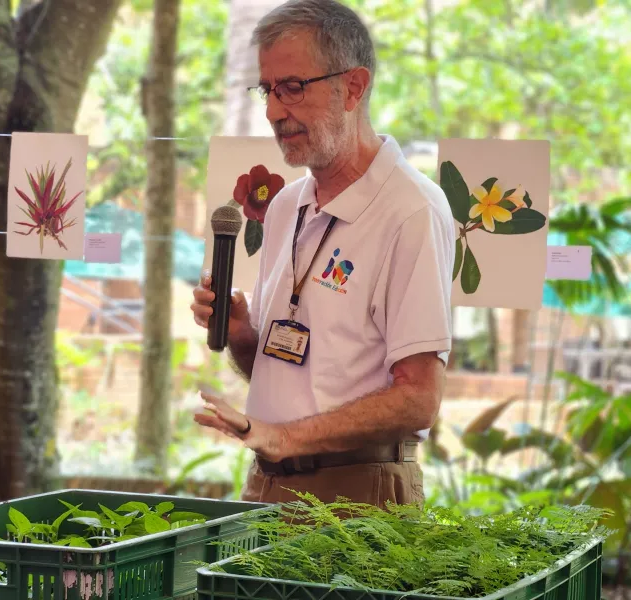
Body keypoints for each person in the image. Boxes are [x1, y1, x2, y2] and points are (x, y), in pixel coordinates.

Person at [190, 0, 455, 508]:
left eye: (292, 87)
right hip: (265, 482)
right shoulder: (288, 204)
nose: (272, 110)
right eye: (268, 90)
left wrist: (284, 438)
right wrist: (243, 335)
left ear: (352, 88)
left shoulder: (410, 210)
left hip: (358, 493)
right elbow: (287, 369)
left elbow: (420, 397)